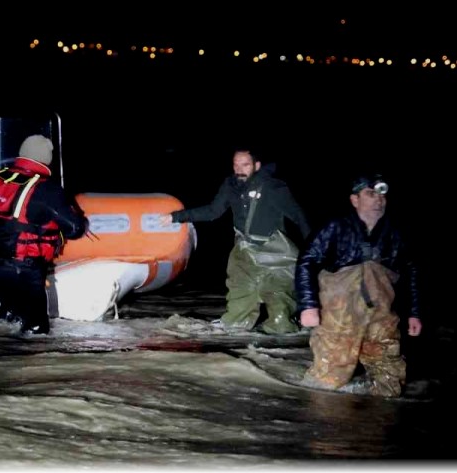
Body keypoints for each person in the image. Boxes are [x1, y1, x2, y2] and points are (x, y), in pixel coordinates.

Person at [295, 174, 422, 398]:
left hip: (381, 317)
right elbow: (307, 260)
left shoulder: (395, 232)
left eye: (382, 195)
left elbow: (411, 271)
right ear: (355, 200)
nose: (378, 200)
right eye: (370, 194)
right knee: (327, 383)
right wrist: (308, 305)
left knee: (389, 383)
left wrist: (414, 313)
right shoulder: (336, 227)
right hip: (339, 317)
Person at [162, 148, 310, 334]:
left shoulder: (273, 187)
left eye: (245, 164)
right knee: (239, 292)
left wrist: (312, 249)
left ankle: (286, 328)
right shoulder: (230, 185)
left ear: (256, 166)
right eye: (236, 164)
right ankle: (236, 326)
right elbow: (212, 211)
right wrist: (177, 217)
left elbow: (299, 216)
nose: (239, 169)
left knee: (279, 306)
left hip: (275, 253)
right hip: (244, 250)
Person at [0, 134, 88, 334]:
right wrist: (80, 217)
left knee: (10, 313)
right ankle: (28, 361)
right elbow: (74, 229)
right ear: (47, 158)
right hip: (22, 269)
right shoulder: (47, 189)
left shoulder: (1, 176)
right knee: (36, 329)